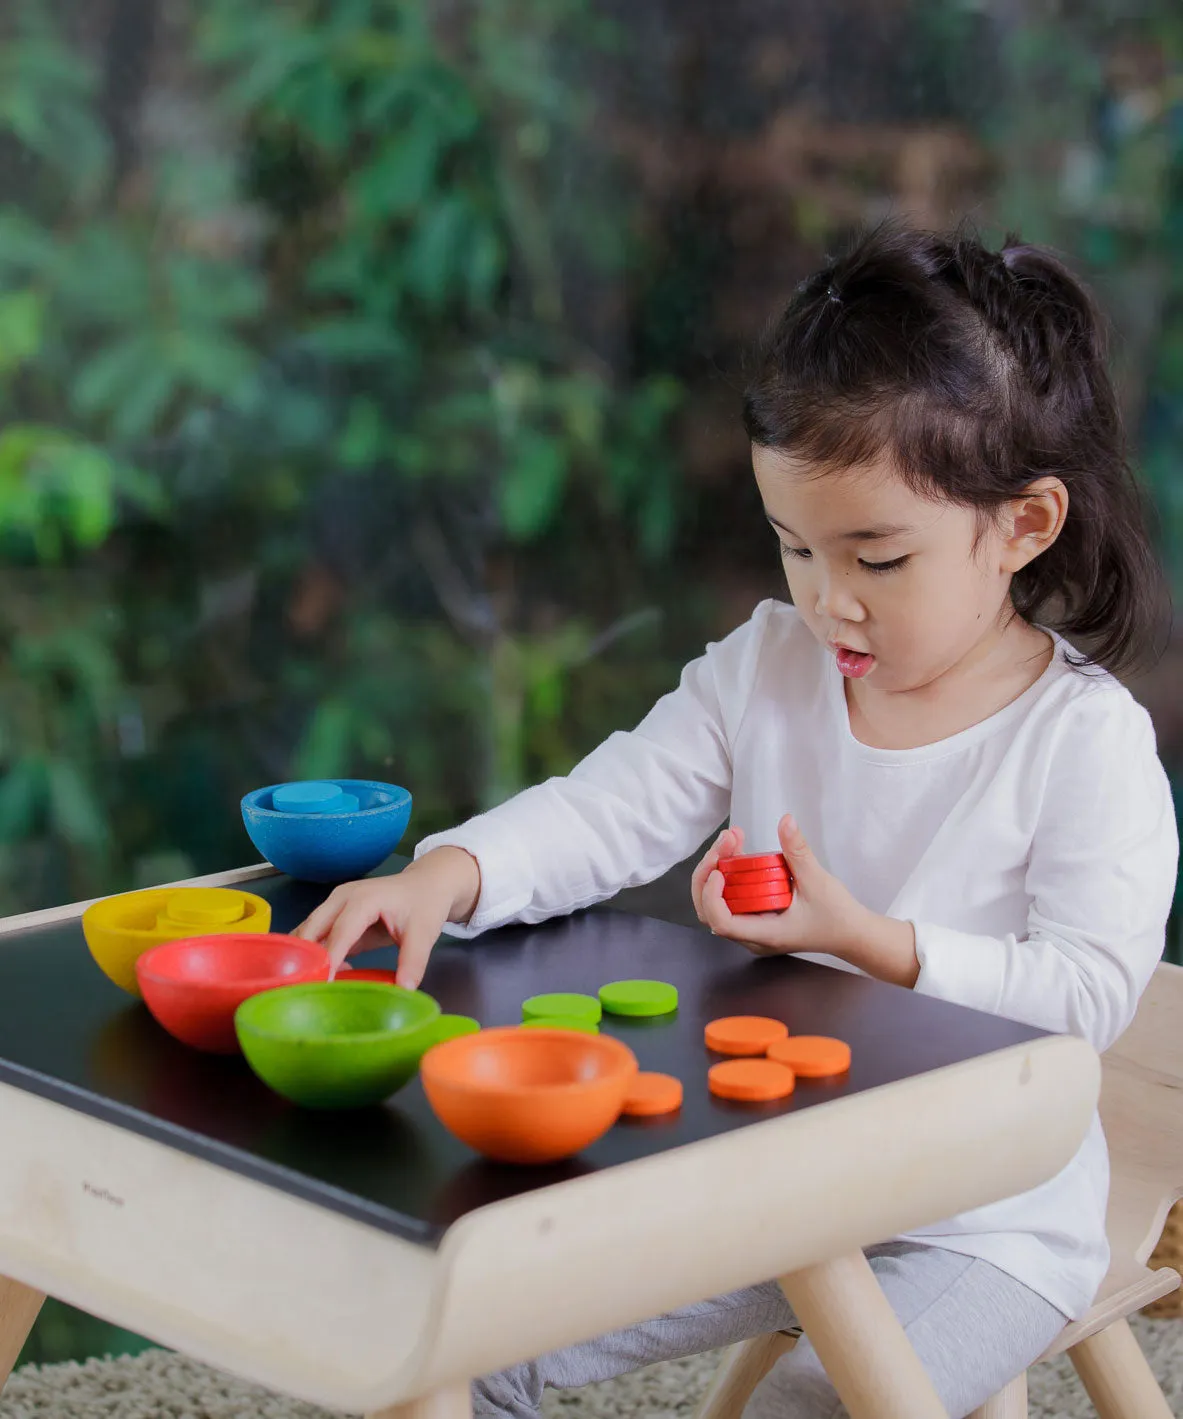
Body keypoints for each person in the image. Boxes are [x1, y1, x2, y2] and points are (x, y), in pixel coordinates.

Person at [295, 220, 1180, 1418]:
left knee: (809, 1407)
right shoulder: (769, 665)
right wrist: (448, 875)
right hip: (774, 1177)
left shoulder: (1083, 740)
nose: (827, 602)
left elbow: (1084, 996)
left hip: (988, 1219)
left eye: (878, 559)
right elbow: (613, 807)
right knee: (472, 1335)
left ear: (1022, 526)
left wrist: (872, 938)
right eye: (794, 547)